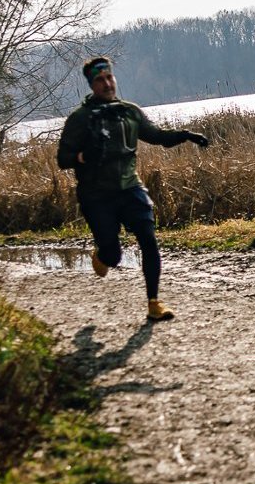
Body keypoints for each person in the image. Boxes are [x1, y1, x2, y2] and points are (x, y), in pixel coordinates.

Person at [56, 56, 211, 322]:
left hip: (130, 189)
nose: (107, 84)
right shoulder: (80, 119)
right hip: (96, 195)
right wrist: (83, 157)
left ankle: (154, 303)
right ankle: (103, 255)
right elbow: (63, 159)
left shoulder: (129, 111)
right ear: (91, 85)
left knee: (149, 241)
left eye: (109, 78)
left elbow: (157, 136)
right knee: (113, 256)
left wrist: (186, 135)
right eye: (100, 80)